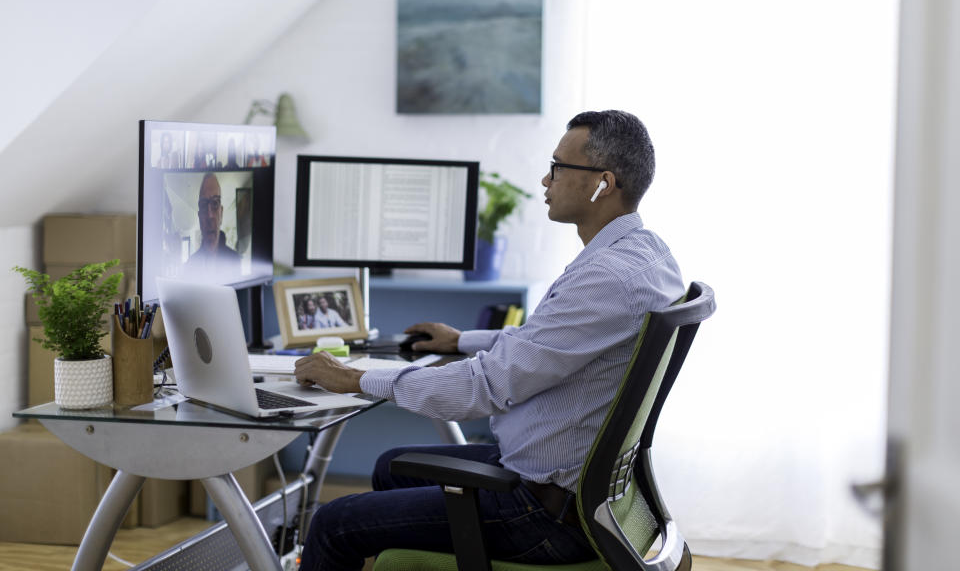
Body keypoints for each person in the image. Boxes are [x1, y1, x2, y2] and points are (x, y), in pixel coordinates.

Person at [293, 110, 685, 570]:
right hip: (571, 486)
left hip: (540, 513)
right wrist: (461, 341)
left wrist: (355, 379)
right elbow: (548, 342)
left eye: (558, 167)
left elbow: (485, 388)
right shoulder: (645, 255)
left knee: (332, 525)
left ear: (602, 182)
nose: (546, 179)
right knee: (391, 465)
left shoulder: (607, 278)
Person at [185, 173, 241, 275]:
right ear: (199, 218)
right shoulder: (189, 266)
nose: (210, 215)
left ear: (221, 214)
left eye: (215, 203)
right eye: (203, 205)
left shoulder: (235, 261)